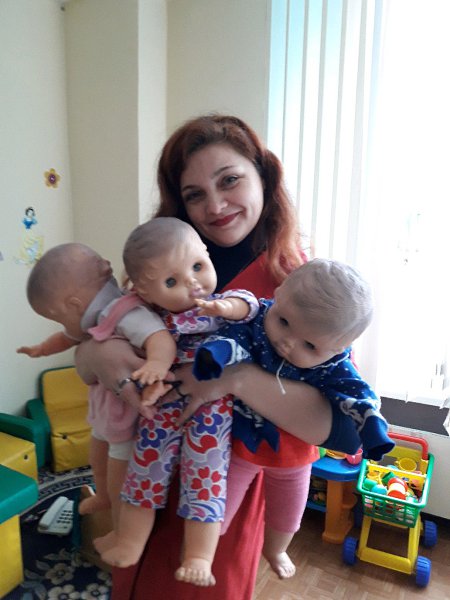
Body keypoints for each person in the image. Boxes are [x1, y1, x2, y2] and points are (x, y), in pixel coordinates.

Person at [74, 114, 360, 599]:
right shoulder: (160, 268)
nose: (215, 205)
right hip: (143, 475)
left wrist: (234, 380)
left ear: (264, 177)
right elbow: (89, 360)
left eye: (229, 181)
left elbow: (340, 427)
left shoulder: (302, 284)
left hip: (221, 495)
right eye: (195, 194)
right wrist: (97, 357)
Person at [191, 258, 394, 577]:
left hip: (294, 457)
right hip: (242, 446)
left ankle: (276, 550)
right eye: (284, 321)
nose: (287, 343)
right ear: (279, 292)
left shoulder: (333, 364)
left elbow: (355, 394)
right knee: (218, 506)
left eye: (310, 345)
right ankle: (204, 549)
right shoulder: (258, 320)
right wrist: (214, 356)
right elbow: (234, 339)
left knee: (288, 516)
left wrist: (371, 426)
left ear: (340, 348)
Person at [94, 217, 259, 587]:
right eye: (171, 282)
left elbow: (250, 306)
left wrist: (226, 308)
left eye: (198, 266)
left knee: (206, 479)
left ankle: (199, 556)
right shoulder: (149, 320)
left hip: (211, 417)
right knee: (143, 473)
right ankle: (130, 542)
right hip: (160, 411)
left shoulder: (220, 304)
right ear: (145, 292)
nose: (192, 283)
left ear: (206, 253)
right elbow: (126, 353)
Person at [17, 242, 176, 528]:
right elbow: (67, 338)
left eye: (57, 317)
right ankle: (102, 495)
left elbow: (158, 336)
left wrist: (157, 363)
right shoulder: (93, 316)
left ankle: (120, 524)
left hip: (128, 414)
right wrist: (41, 349)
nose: (63, 324)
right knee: (97, 456)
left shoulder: (125, 311)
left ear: (75, 304)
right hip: (106, 411)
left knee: (119, 474)